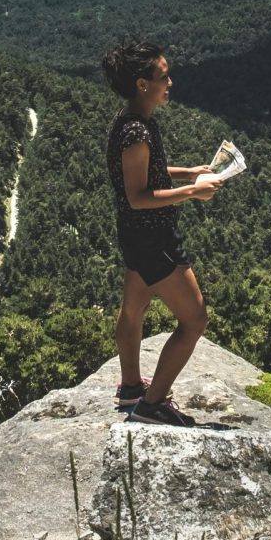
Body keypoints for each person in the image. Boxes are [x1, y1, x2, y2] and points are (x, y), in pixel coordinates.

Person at [100, 39, 223, 427]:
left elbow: (145, 174)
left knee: (134, 308)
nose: (170, 82)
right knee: (195, 319)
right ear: (142, 83)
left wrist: (190, 172)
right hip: (153, 237)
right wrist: (192, 192)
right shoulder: (138, 132)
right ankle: (151, 406)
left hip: (134, 235)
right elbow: (138, 195)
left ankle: (132, 386)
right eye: (163, 76)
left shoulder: (130, 122)